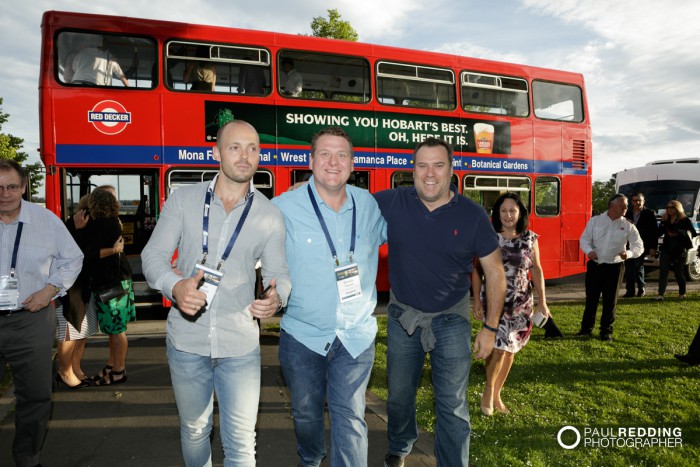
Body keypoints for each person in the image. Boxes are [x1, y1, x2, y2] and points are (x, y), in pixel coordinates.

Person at [142, 120, 291, 466]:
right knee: (195, 430)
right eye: (235, 147)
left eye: (253, 148)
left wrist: (275, 296)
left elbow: (279, 274)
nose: (245, 156)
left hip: (239, 345)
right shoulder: (183, 200)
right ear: (216, 152)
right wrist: (175, 286)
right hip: (186, 341)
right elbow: (152, 257)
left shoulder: (269, 215)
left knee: (241, 442)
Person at [374, 137, 506, 467]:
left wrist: (490, 328)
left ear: (451, 170)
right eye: (422, 165)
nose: (429, 173)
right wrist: (304, 191)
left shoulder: (473, 215)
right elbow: (343, 201)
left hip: (452, 318)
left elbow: (496, 274)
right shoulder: (392, 201)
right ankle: (400, 444)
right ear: (412, 170)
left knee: (451, 403)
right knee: (400, 396)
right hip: (404, 315)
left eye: (438, 165)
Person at [272, 127, 386, 467]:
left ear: (353, 163)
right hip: (303, 335)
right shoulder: (283, 206)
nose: (333, 162)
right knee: (306, 414)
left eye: (341, 155)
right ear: (310, 161)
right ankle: (310, 458)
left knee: (350, 416)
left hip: (355, 334)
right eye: (324, 154)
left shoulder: (369, 205)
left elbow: (409, 236)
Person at [0, 159, 83, 467]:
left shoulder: (45, 220)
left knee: (35, 396)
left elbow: (73, 259)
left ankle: (27, 458)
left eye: (11, 186)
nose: (5, 194)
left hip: (31, 320)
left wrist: (50, 290)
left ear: (23, 187)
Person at [471, 193, 551, 416]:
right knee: (497, 349)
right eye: (503, 211)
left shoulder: (531, 239)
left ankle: (497, 394)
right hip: (497, 304)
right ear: (497, 213)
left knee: (510, 350)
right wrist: (476, 299)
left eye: (512, 211)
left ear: (520, 213)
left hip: (521, 303)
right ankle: (488, 392)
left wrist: (543, 301)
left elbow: (537, 270)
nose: (507, 215)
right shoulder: (489, 237)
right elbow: (476, 270)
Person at [576, 193, 643, 342]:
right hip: (596, 265)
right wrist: (589, 251)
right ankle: (586, 329)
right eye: (622, 205)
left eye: (626, 205)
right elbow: (584, 239)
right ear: (611, 205)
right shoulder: (595, 221)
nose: (626, 208)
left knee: (610, 301)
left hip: (615, 267)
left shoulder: (628, 225)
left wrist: (629, 253)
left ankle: (606, 332)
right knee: (591, 299)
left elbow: (639, 245)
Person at [87, 186, 134, 386]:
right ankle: (112, 364)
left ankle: (118, 370)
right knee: (115, 328)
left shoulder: (98, 225)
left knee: (117, 329)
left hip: (110, 281)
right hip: (119, 278)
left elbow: (90, 253)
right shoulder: (115, 222)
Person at [54, 195, 99, 389]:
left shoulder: (87, 224)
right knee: (69, 331)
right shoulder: (70, 225)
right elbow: (75, 252)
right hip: (69, 288)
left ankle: (75, 368)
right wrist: (78, 230)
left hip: (83, 286)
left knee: (81, 331)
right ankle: (64, 372)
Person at [656, 199, 696, 301]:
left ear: (677, 208)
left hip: (680, 250)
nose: (669, 209)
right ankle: (660, 295)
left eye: (672, 207)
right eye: (667, 208)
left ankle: (682, 293)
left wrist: (679, 233)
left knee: (678, 272)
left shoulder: (684, 220)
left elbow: (693, 233)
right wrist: (662, 222)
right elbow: (658, 233)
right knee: (663, 272)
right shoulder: (666, 220)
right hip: (666, 249)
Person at [622, 192, 658, 297]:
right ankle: (630, 291)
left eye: (639, 200)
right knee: (629, 269)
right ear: (631, 202)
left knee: (638, 267)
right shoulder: (627, 214)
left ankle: (641, 288)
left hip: (642, 245)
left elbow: (654, 232)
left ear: (643, 201)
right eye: (635, 200)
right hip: (628, 245)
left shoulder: (650, 213)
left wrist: (653, 247)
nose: (637, 202)